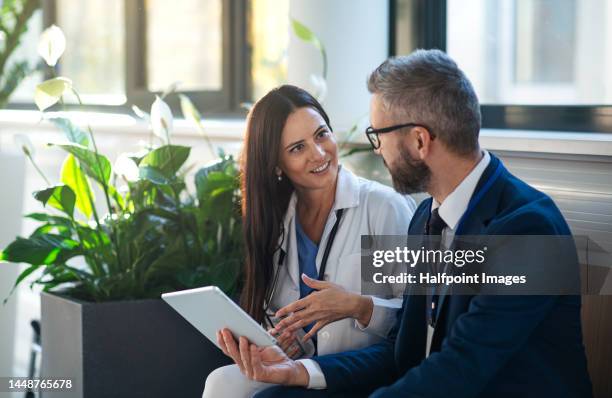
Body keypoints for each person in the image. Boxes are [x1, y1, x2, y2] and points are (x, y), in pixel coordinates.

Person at [221, 50, 594, 398]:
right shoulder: (426, 219)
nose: (376, 149)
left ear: (419, 141)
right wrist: (301, 372)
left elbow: (461, 369)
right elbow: (400, 353)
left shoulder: (527, 229)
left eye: (378, 135)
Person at [202, 85, 416, 397]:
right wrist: (281, 338)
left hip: (361, 371)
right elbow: (275, 311)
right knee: (221, 383)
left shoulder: (383, 206)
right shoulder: (276, 220)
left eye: (321, 134)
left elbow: (418, 318)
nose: (318, 153)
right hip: (301, 367)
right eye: (297, 148)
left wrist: (358, 306)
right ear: (276, 165)